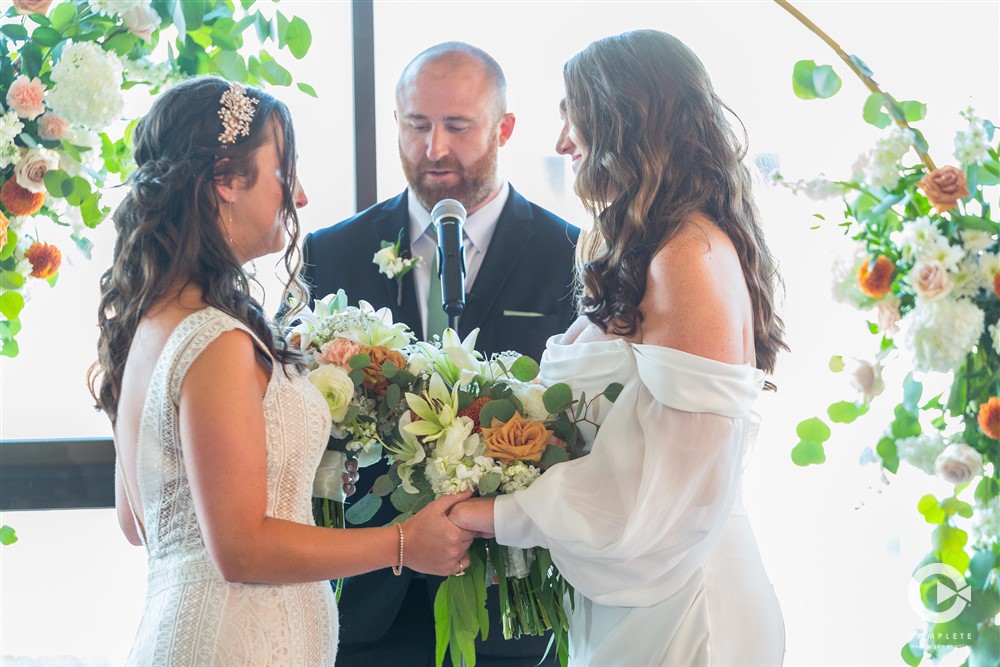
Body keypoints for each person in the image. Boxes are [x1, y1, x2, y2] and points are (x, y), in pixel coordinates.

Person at [88, 76, 474, 666]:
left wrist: (295, 476)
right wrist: (402, 543)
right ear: (224, 180)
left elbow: (144, 522)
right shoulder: (215, 339)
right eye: (283, 172)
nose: (299, 197)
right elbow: (239, 549)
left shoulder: (148, 324)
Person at [450, 30, 787, 666]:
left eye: (570, 116)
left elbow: (676, 479)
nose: (560, 143)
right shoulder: (649, 246)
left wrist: (501, 515)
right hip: (633, 588)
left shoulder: (690, 255)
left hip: (687, 597)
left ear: (622, 118)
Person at [301, 43, 578, 666]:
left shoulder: (568, 256)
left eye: (458, 126)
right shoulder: (333, 253)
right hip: (362, 602)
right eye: (417, 125)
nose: (435, 150)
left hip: (510, 600)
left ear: (503, 129)